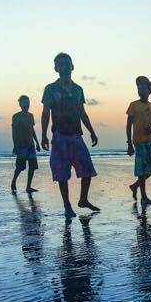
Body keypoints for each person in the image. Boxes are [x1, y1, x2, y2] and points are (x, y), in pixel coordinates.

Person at [40, 53, 100, 218]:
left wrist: (92, 131)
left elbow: (82, 112)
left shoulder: (78, 89)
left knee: (87, 169)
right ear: (56, 69)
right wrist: (44, 135)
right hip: (59, 136)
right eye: (61, 65)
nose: (65, 67)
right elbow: (45, 112)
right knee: (62, 173)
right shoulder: (50, 89)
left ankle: (83, 199)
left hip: (76, 135)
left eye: (67, 64)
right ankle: (67, 206)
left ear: (72, 67)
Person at [126, 76, 151, 206]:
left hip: (149, 141)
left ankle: (135, 186)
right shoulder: (133, 105)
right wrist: (129, 144)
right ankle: (144, 197)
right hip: (138, 142)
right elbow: (128, 125)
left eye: (143, 88)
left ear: (149, 90)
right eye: (138, 88)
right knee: (141, 169)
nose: (140, 90)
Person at [11, 95, 41, 194]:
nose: (26, 105)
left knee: (32, 167)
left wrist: (37, 142)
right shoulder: (16, 116)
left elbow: (32, 130)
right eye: (24, 102)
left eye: (28, 102)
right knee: (20, 167)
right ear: (20, 104)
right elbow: (14, 132)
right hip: (21, 145)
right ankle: (13, 182)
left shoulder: (31, 116)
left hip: (31, 145)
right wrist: (15, 146)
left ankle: (28, 187)